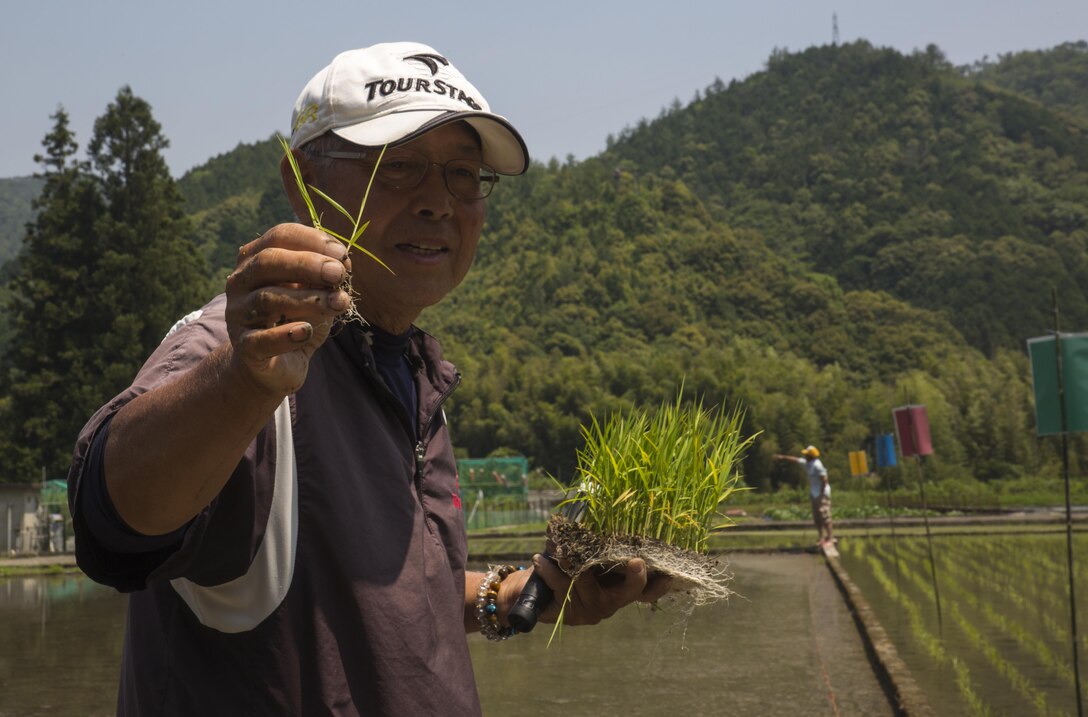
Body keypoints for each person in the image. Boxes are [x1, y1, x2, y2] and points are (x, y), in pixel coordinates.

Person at [67, 42, 670, 716]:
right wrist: (241, 381)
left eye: (464, 174)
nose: (439, 202)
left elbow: (388, 592)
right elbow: (109, 518)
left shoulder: (414, 377)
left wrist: (523, 593)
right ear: (303, 184)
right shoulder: (246, 354)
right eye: (400, 166)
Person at [773, 445, 835, 549]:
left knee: (825, 516)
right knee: (817, 517)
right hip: (814, 493)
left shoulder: (817, 465)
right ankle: (821, 538)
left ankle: (830, 538)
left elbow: (824, 480)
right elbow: (796, 460)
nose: (804, 455)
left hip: (822, 494)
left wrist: (821, 494)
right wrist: (783, 457)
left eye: (806, 454)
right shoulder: (808, 463)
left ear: (811, 456)